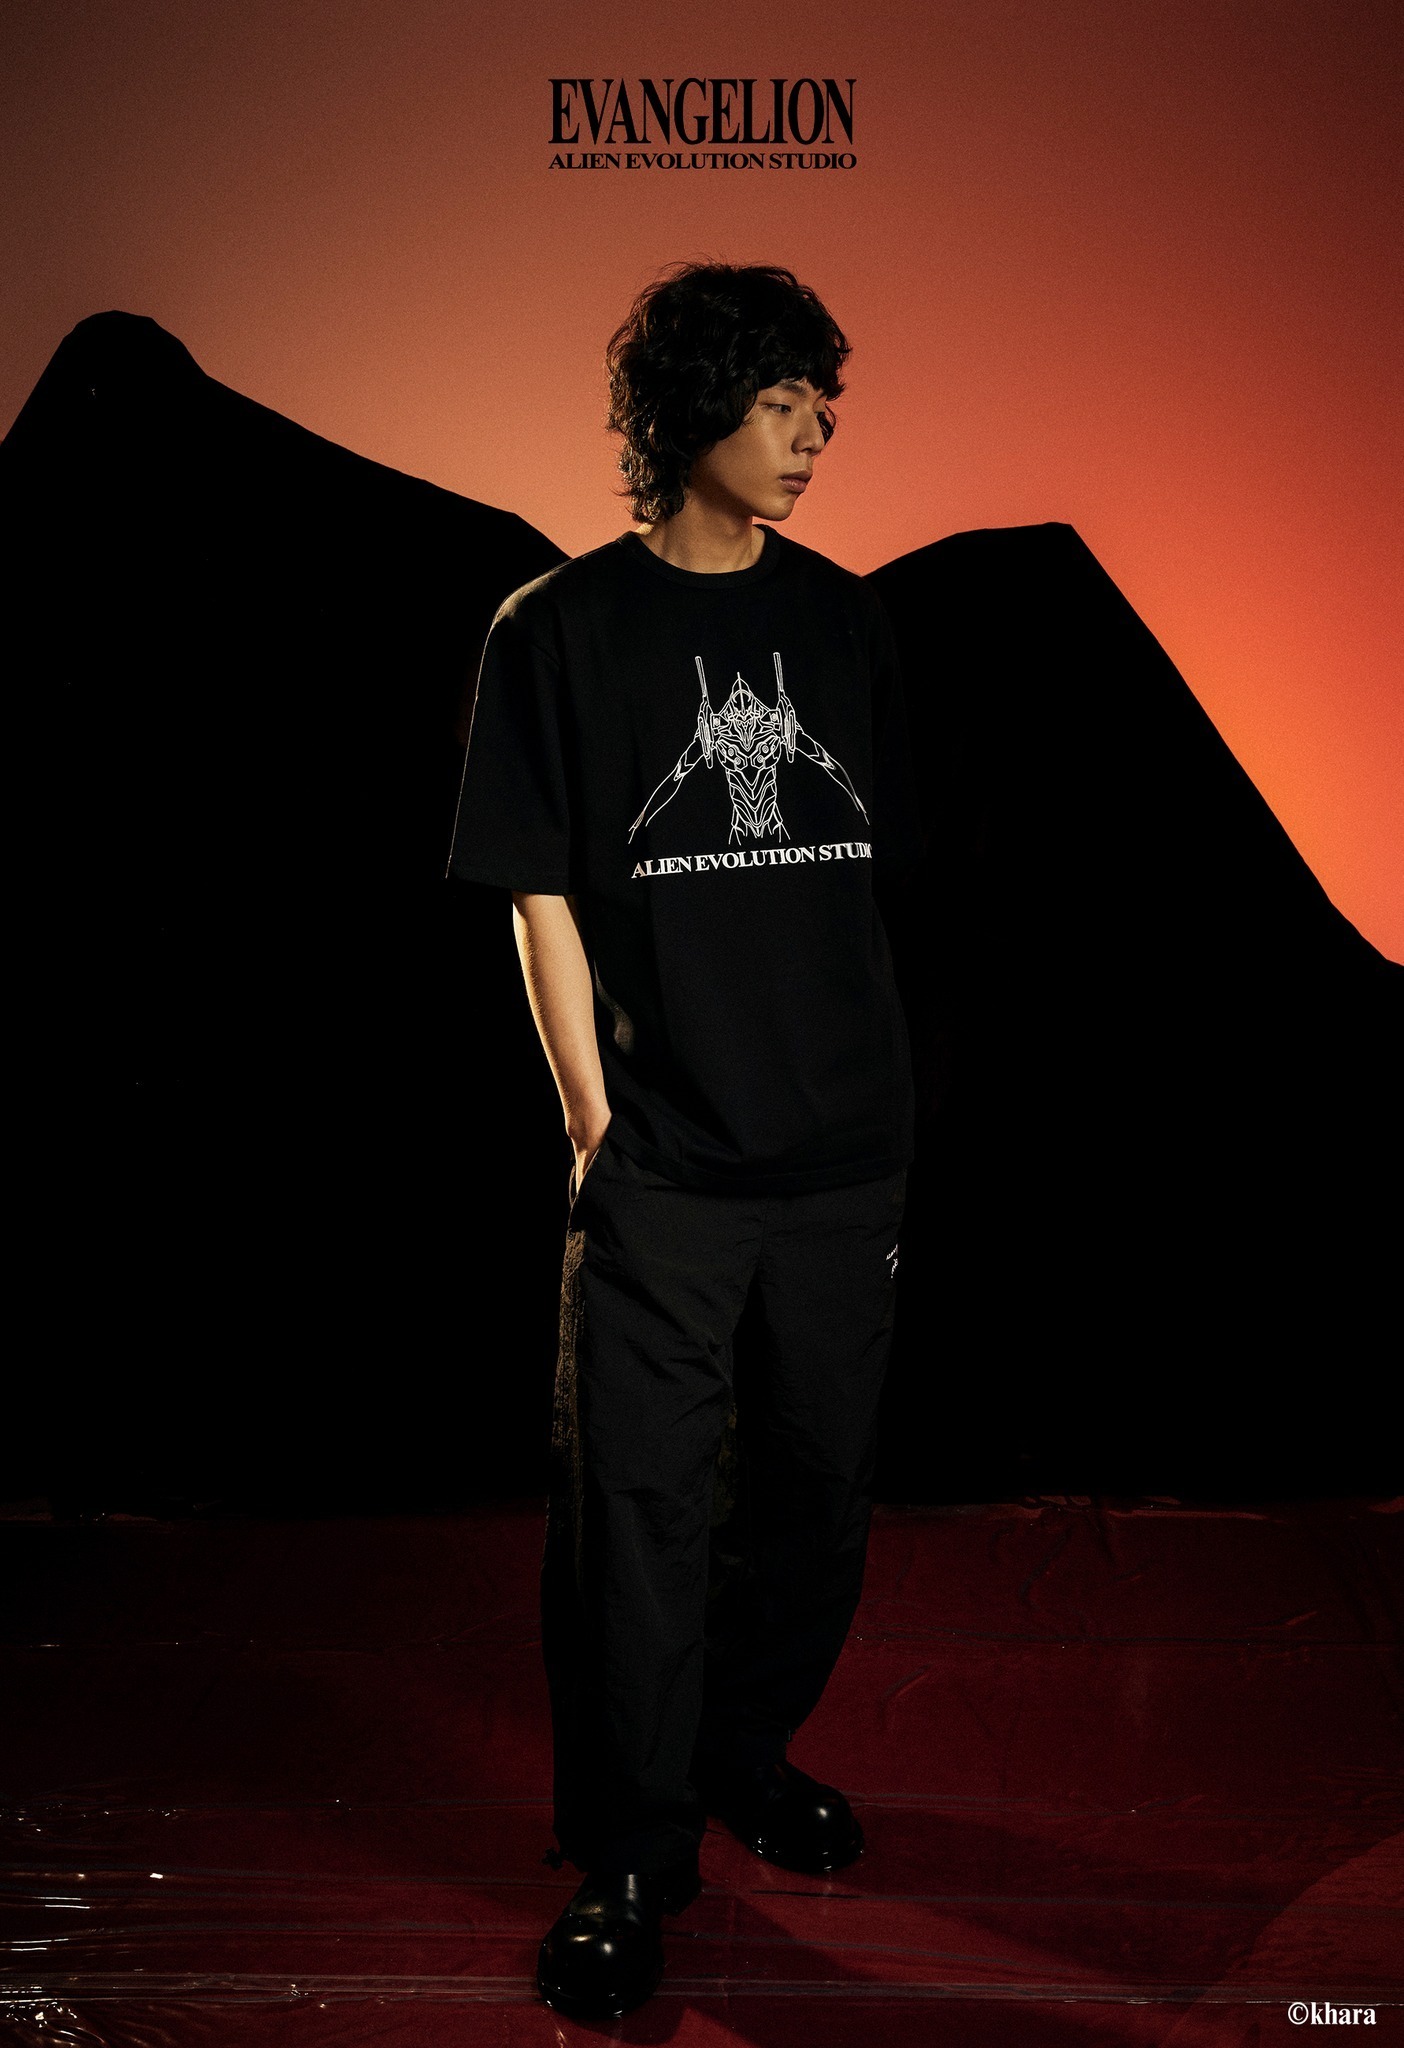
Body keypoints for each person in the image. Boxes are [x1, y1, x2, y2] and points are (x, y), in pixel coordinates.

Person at [447, 260, 924, 2021]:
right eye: (782, 402)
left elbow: (892, 882)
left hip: (843, 1162)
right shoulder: (558, 632)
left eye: (822, 406)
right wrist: (592, 1120)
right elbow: (539, 894)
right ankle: (633, 1854)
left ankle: (739, 1751)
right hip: (662, 1166)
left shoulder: (852, 627)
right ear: (693, 410)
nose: (813, 436)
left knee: (814, 1502)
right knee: (633, 1517)